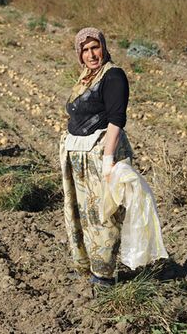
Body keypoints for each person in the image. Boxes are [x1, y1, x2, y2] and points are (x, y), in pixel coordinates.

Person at [59, 27, 134, 287]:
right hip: (79, 156)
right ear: (79, 53)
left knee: (104, 215)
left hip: (101, 154)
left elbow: (116, 120)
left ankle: (104, 275)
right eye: (85, 49)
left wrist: (108, 159)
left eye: (95, 47)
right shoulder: (87, 76)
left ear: (103, 47)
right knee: (80, 213)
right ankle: (87, 267)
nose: (91, 54)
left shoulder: (113, 76)